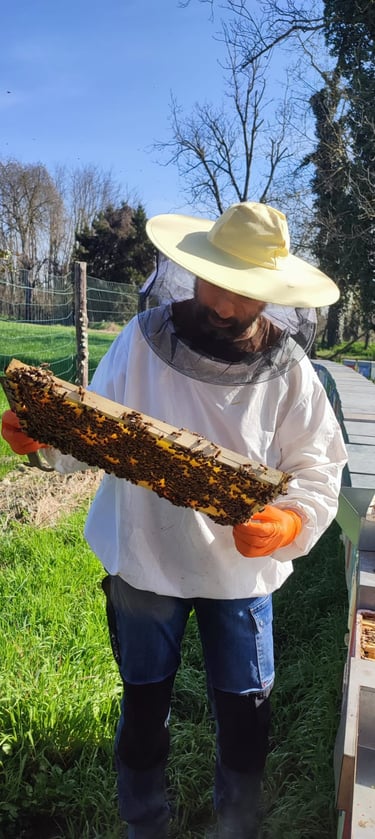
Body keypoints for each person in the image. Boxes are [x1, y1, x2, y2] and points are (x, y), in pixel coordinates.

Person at [2, 202, 348, 839]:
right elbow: (96, 429)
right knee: (143, 706)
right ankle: (144, 825)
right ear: (195, 268)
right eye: (217, 282)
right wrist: (44, 440)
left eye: (246, 294)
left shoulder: (290, 371)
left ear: (272, 295)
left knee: (248, 714)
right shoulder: (141, 340)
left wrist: (291, 525)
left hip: (241, 576)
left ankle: (236, 826)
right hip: (144, 559)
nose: (224, 306)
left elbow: (320, 467)